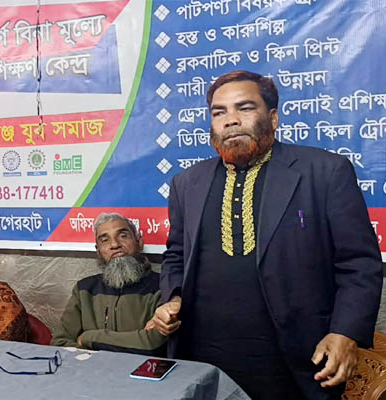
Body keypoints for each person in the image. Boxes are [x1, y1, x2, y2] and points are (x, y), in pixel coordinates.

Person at [146, 70, 383, 400]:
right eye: (219, 112)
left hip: (295, 361)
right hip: (204, 360)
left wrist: (345, 332)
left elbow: (359, 264)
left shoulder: (324, 172)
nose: (231, 120)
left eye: (244, 108)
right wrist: (173, 299)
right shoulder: (187, 183)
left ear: (273, 118)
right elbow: (176, 255)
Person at [51, 213, 166, 355]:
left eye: (123, 236)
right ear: (98, 251)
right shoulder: (84, 290)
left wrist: (89, 338)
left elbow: (153, 344)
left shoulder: (162, 287)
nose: (115, 245)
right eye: (105, 240)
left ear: (139, 242)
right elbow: (60, 343)